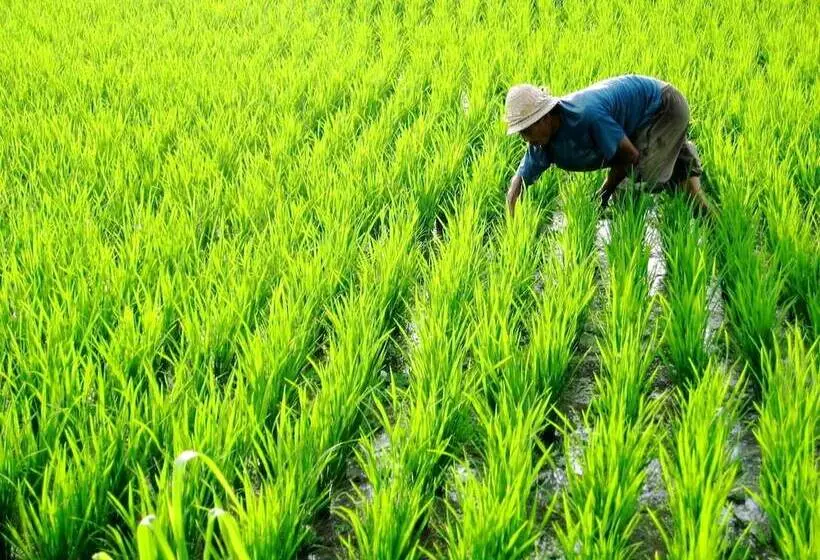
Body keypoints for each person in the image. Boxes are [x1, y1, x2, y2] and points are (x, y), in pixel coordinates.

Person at [504, 74, 712, 217]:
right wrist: (513, 223)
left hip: (664, 109)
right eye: (521, 132)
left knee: (628, 187)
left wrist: (604, 192)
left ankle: (677, 153)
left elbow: (628, 156)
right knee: (691, 198)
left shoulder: (587, 115)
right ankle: (679, 158)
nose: (525, 138)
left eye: (527, 130)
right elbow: (518, 182)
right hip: (638, 128)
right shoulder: (541, 143)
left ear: (544, 117)